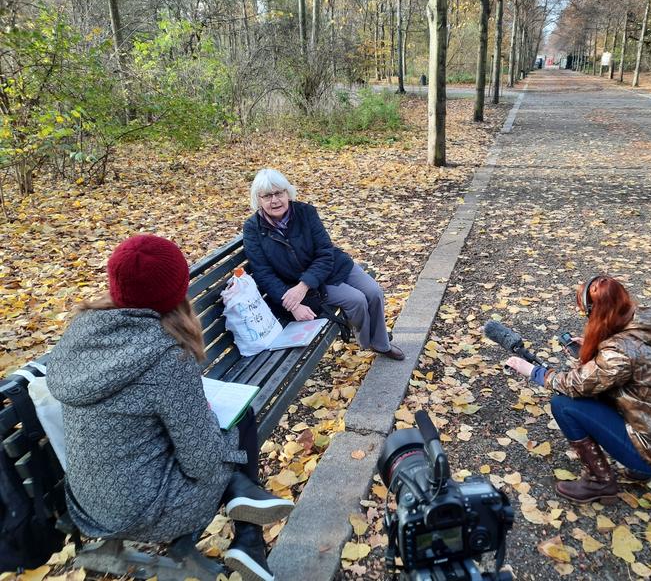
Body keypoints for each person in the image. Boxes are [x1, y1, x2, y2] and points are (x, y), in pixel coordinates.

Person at [47, 234, 294, 581]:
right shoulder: (167, 356)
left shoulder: (81, 332)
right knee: (238, 424)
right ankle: (248, 533)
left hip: (86, 501)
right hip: (146, 511)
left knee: (216, 430)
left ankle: (248, 526)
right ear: (177, 290)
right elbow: (202, 462)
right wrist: (208, 421)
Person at [506, 275, 651, 504]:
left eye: (586, 312)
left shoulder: (618, 353)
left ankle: (599, 482)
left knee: (564, 405)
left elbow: (574, 384)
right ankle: (642, 470)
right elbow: (631, 369)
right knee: (598, 395)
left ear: (597, 312)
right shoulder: (646, 323)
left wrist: (534, 372)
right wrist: (595, 350)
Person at [242, 168, 405, 360]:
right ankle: (373, 342)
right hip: (307, 283)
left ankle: (379, 341)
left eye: (279, 193)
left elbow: (325, 252)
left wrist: (303, 286)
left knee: (374, 292)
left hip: (331, 266)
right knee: (357, 300)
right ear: (258, 199)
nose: (275, 200)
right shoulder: (253, 228)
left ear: (288, 193)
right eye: (267, 196)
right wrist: (293, 304)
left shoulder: (305, 212)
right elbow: (263, 274)